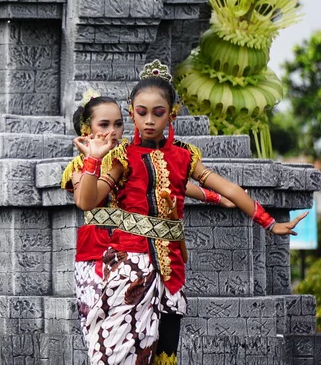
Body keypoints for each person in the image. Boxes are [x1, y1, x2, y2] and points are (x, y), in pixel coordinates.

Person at [69, 60, 307, 365]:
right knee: (120, 352)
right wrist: (92, 161)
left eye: (159, 113)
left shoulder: (184, 155)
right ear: (132, 113)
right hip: (131, 266)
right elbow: (87, 202)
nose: (150, 120)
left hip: (173, 269)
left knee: (166, 355)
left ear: (173, 114)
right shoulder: (120, 157)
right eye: (141, 113)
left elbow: (230, 189)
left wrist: (270, 223)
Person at [61, 89, 233, 341]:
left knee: (146, 334)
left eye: (119, 124)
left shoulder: (132, 156)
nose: (113, 131)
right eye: (104, 124)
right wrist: (92, 162)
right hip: (96, 253)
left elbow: (175, 182)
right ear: (88, 128)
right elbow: (84, 201)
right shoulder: (80, 166)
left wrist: (216, 197)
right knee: (103, 334)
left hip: (134, 251)